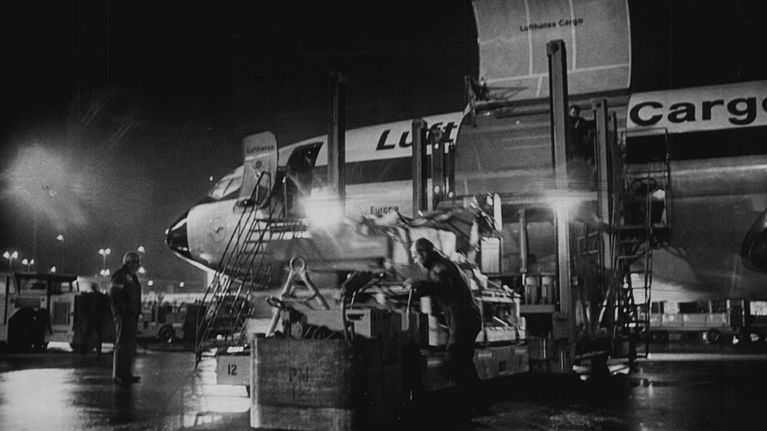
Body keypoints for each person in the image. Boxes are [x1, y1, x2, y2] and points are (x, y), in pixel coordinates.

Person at [408, 238, 482, 393]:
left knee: (454, 361)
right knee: (463, 362)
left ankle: (474, 399)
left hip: (463, 320)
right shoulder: (447, 265)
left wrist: (419, 286)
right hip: (467, 318)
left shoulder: (439, 269)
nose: (415, 261)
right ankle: (475, 399)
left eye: (415, 256)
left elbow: (441, 287)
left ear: (424, 253)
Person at [109, 251, 143, 386]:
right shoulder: (120, 275)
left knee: (128, 346)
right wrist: (122, 312)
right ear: (129, 263)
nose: (139, 265)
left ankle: (126, 374)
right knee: (122, 344)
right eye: (136, 262)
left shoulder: (131, 276)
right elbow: (115, 295)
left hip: (131, 315)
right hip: (124, 315)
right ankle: (118, 375)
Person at [81, 282, 107, 355]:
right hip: (98, 317)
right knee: (98, 334)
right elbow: (104, 307)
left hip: (90, 317)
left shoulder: (89, 296)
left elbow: (84, 306)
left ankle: (84, 351)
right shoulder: (101, 296)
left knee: (87, 334)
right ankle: (98, 351)